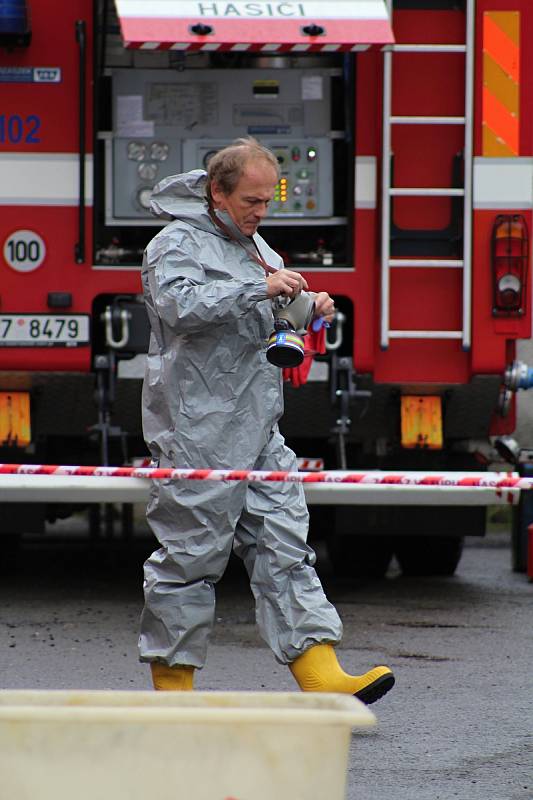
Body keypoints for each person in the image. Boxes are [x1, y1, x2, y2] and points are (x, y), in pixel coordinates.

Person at [138, 137, 395, 703]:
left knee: (285, 546)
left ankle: (321, 674)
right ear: (218, 192)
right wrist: (259, 287)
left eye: (267, 202)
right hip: (196, 431)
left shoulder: (259, 249)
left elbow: (275, 317)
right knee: (188, 558)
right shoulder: (173, 244)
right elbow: (181, 307)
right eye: (251, 201)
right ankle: (174, 684)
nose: (261, 212)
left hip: (260, 430)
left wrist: (311, 307)